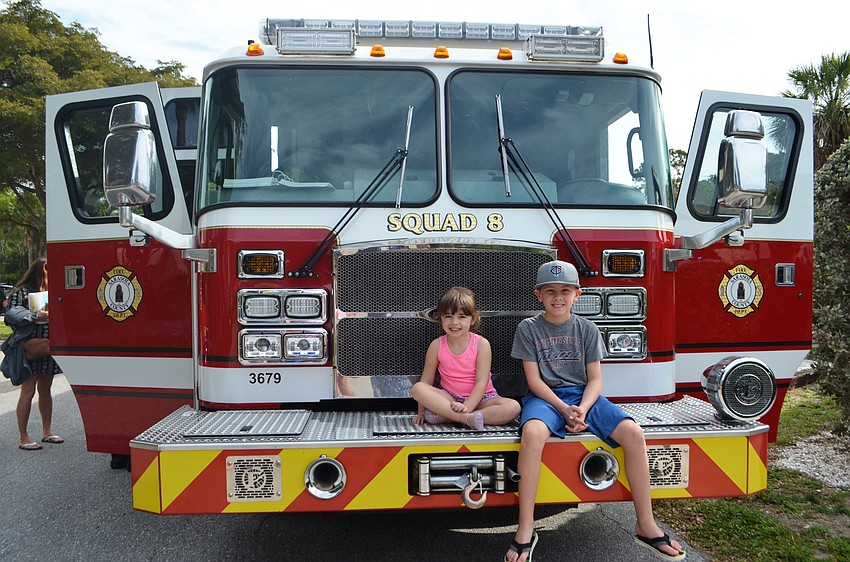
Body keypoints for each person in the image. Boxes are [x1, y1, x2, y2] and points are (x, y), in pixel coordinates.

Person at [504, 260, 685, 562]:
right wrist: (563, 409)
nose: (557, 298)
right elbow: (534, 381)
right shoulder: (528, 328)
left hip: (583, 397)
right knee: (532, 433)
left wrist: (583, 409)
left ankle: (646, 523)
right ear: (538, 295)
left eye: (565, 291)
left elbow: (596, 380)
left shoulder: (588, 329)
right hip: (546, 398)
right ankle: (525, 528)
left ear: (577, 294)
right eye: (550, 291)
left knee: (633, 433)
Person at [412, 286, 520, 430]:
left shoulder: (481, 344)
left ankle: (456, 416)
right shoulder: (437, 345)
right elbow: (426, 380)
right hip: (449, 398)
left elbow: (482, 381)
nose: (454, 322)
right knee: (418, 389)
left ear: (473, 319)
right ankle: (467, 419)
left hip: (483, 399)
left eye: (461, 317)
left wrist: (466, 406)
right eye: (448, 316)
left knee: (513, 407)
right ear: (441, 318)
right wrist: (421, 412)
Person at [5, 258, 64, 451]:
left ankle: (47, 431)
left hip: (47, 346)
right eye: (48, 272)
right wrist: (36, 316)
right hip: (29, 347)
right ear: (40, 271)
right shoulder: (21, 292)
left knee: (46, 389)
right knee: (28, 390)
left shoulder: (54, 292)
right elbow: (11, 317)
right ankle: (23, 437)